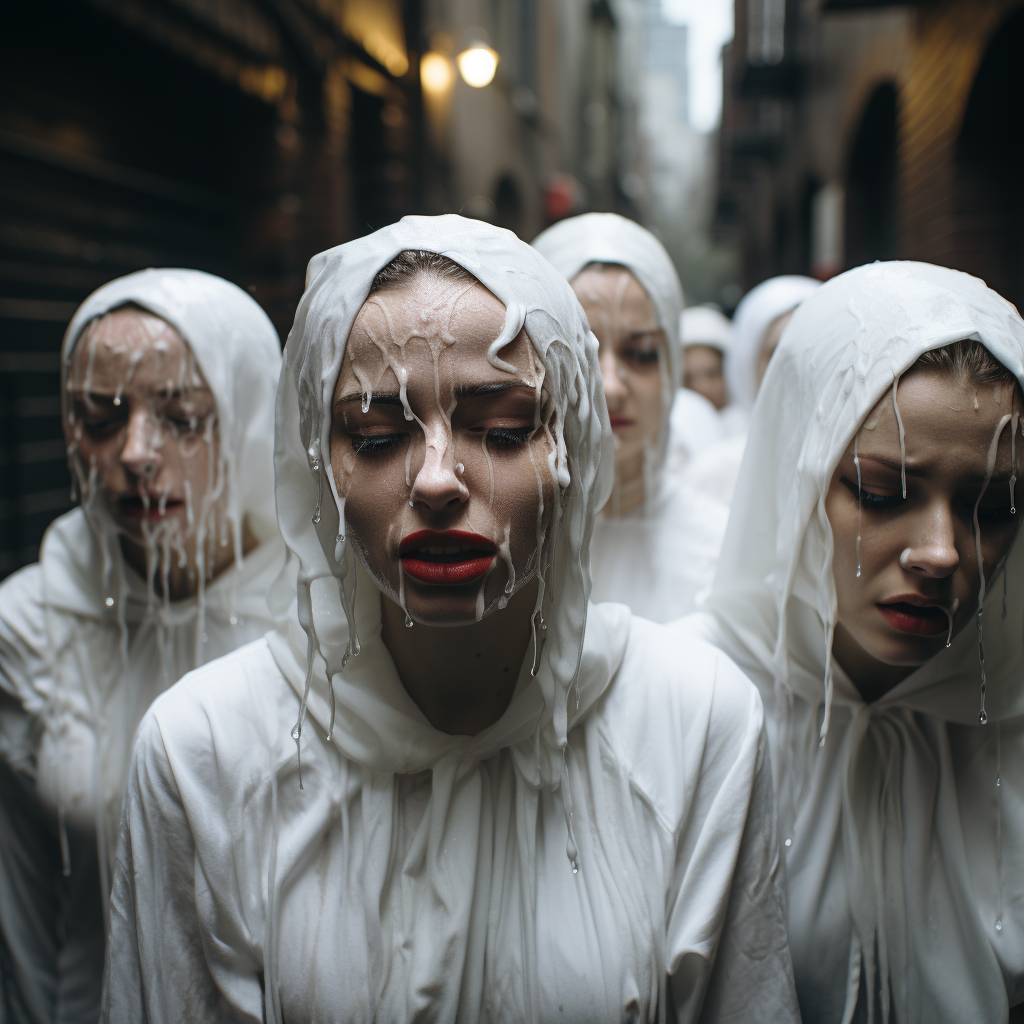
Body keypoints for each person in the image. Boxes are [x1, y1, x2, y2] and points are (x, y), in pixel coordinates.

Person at [102, 216, 799, 1023]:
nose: (436, 480)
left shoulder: (699, 723)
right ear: (316, 462)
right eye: (376, 435)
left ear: (574, 448)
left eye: (501, 429)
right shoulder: (203, 753)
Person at [681, 261, 1024, 1022]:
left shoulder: (1011, 712)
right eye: (881, 491)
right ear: (794, 475)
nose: (940, 551)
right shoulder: (684, 705)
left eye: (991, 507)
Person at [0, 269, 285, 1023]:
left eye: (183, 416)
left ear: (254, 417)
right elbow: (24, 914)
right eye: (100, 416)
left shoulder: (327, 616)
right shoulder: (29, 626)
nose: (135, 452)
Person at [532, 213, 726, 620]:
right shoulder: (507, 547)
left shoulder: (724, 551)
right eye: (583, 355)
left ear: (671, 364)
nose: (613, 388)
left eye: (640, 355)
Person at [682, 276, 821, 511]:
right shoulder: (712, 476)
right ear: (748, 365)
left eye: (814, 346)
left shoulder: (866, 466)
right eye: (778, 352)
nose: (799, 364)